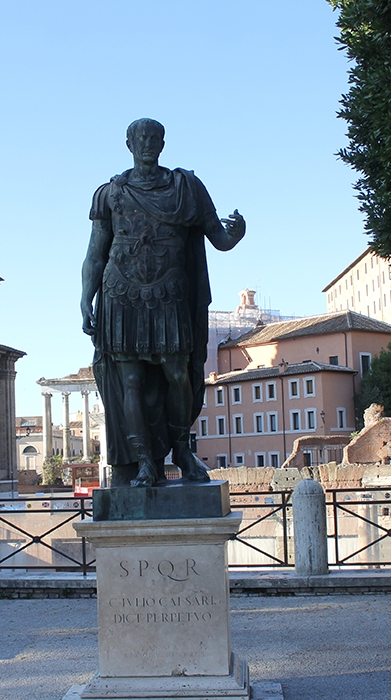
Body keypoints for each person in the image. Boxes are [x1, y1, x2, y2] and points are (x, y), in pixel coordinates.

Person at [81, 118, 245, 487]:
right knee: (131, 381)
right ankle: (144, 462)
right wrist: (85, 298)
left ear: (163, 143)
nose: (147, 143)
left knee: (178, 375)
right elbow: (95, 253)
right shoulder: (109, 194)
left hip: (170, 292)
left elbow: (218, 238)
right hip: (120, 294)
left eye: (154, 138)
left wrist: (236, 235)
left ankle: (182, 451)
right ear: (129, 144)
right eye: (140, 138)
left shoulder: (186, 187)